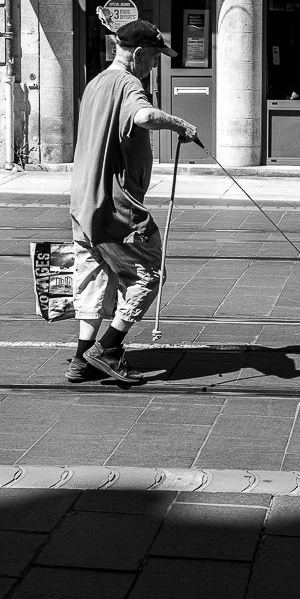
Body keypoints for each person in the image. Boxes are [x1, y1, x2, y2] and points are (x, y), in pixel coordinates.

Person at [67, 19, 198, 384]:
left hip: (84, 204)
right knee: (150, 273)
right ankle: (108, 349)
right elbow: (143, 115)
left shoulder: (95, 83)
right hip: (117, 208)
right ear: (138, 53)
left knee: (94, 279)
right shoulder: (128, 83)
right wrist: (179, 125)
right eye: (154, 58)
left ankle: (81, 360)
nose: (155, 66)